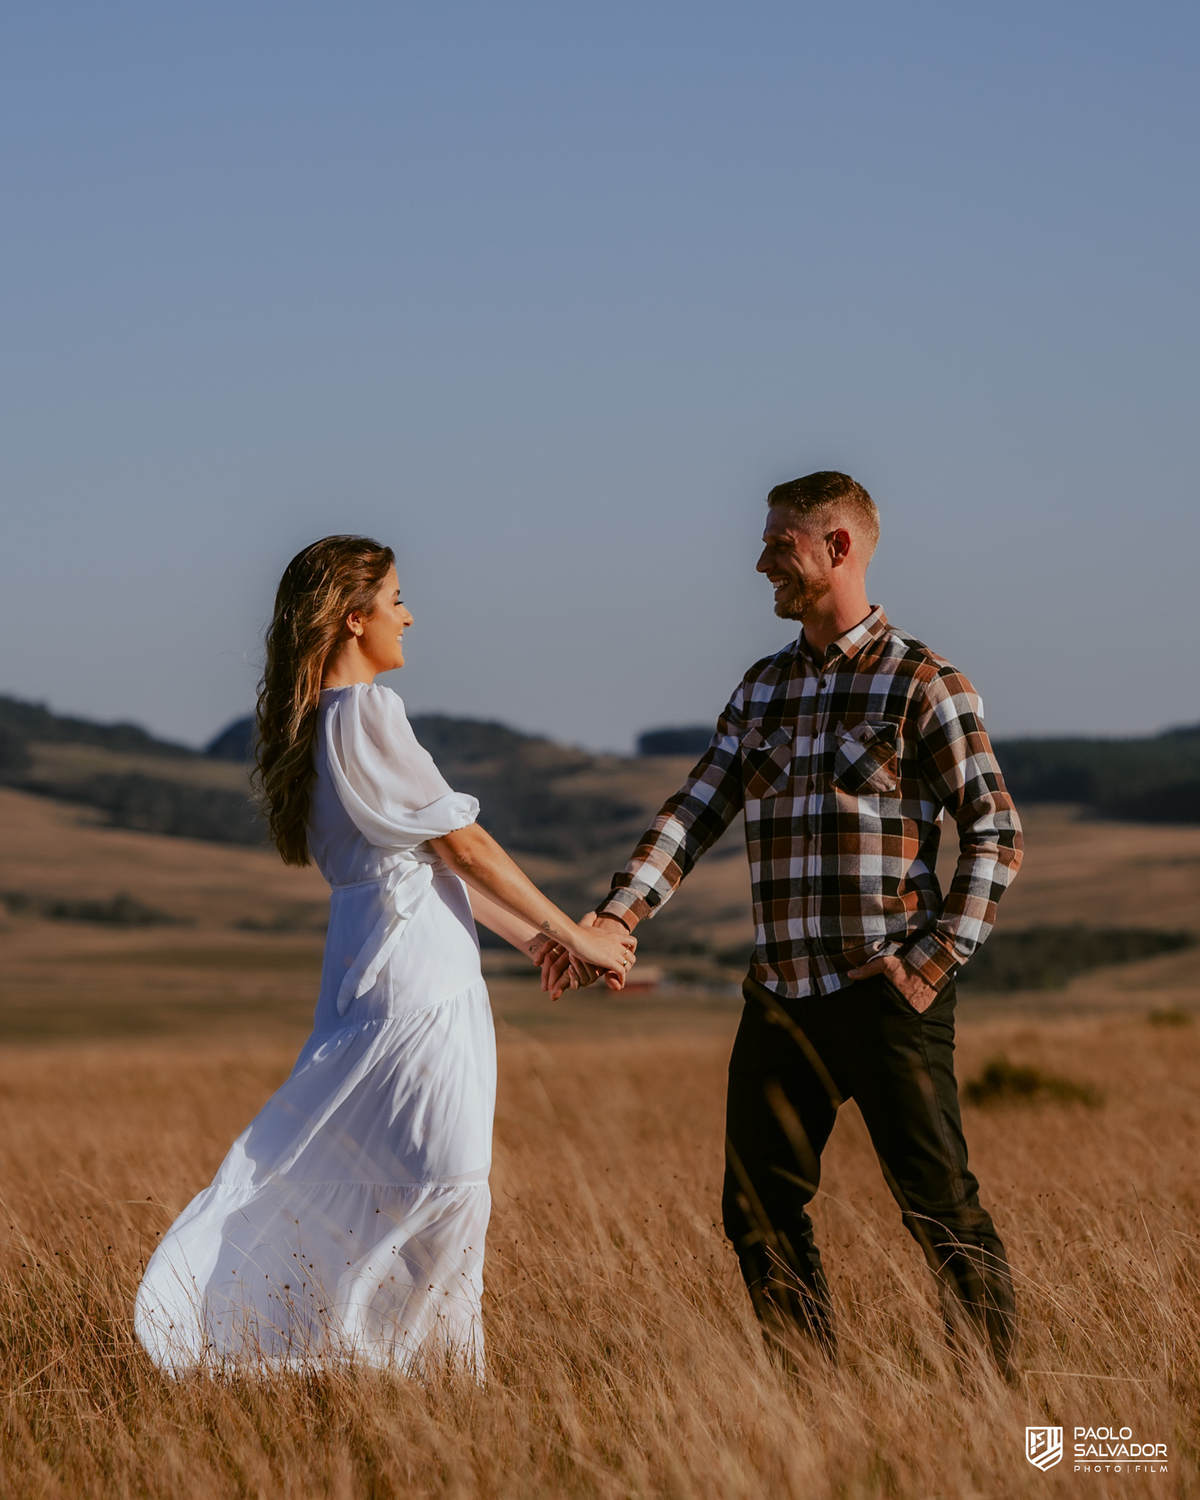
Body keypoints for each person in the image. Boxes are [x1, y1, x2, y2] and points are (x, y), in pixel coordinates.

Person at [543, 471, 1022, 1375]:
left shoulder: (924, 683)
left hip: (887, 993)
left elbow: (996, 831)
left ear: (838, 547)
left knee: (938, 1206)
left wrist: (934, 960)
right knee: (754, 1208)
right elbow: (695, 811)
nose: (762, 560)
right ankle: (811, 1401)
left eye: (781, 543)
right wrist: (613, 916)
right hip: (781, 997)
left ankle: (995, 1405)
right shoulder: (761, 689)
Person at [134, 535, 634, 1376]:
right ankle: (422, 1380)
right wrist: (578, 933)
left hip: (373, 977)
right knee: (444, 1183)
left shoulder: (321, 727)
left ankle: (382, 1371)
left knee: (405, 1184)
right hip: (417, 989)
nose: (410, 613)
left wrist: (541, 941)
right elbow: (463, 846)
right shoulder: (367, 714)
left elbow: (423, 866)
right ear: (354, 617)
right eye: (396, 597)